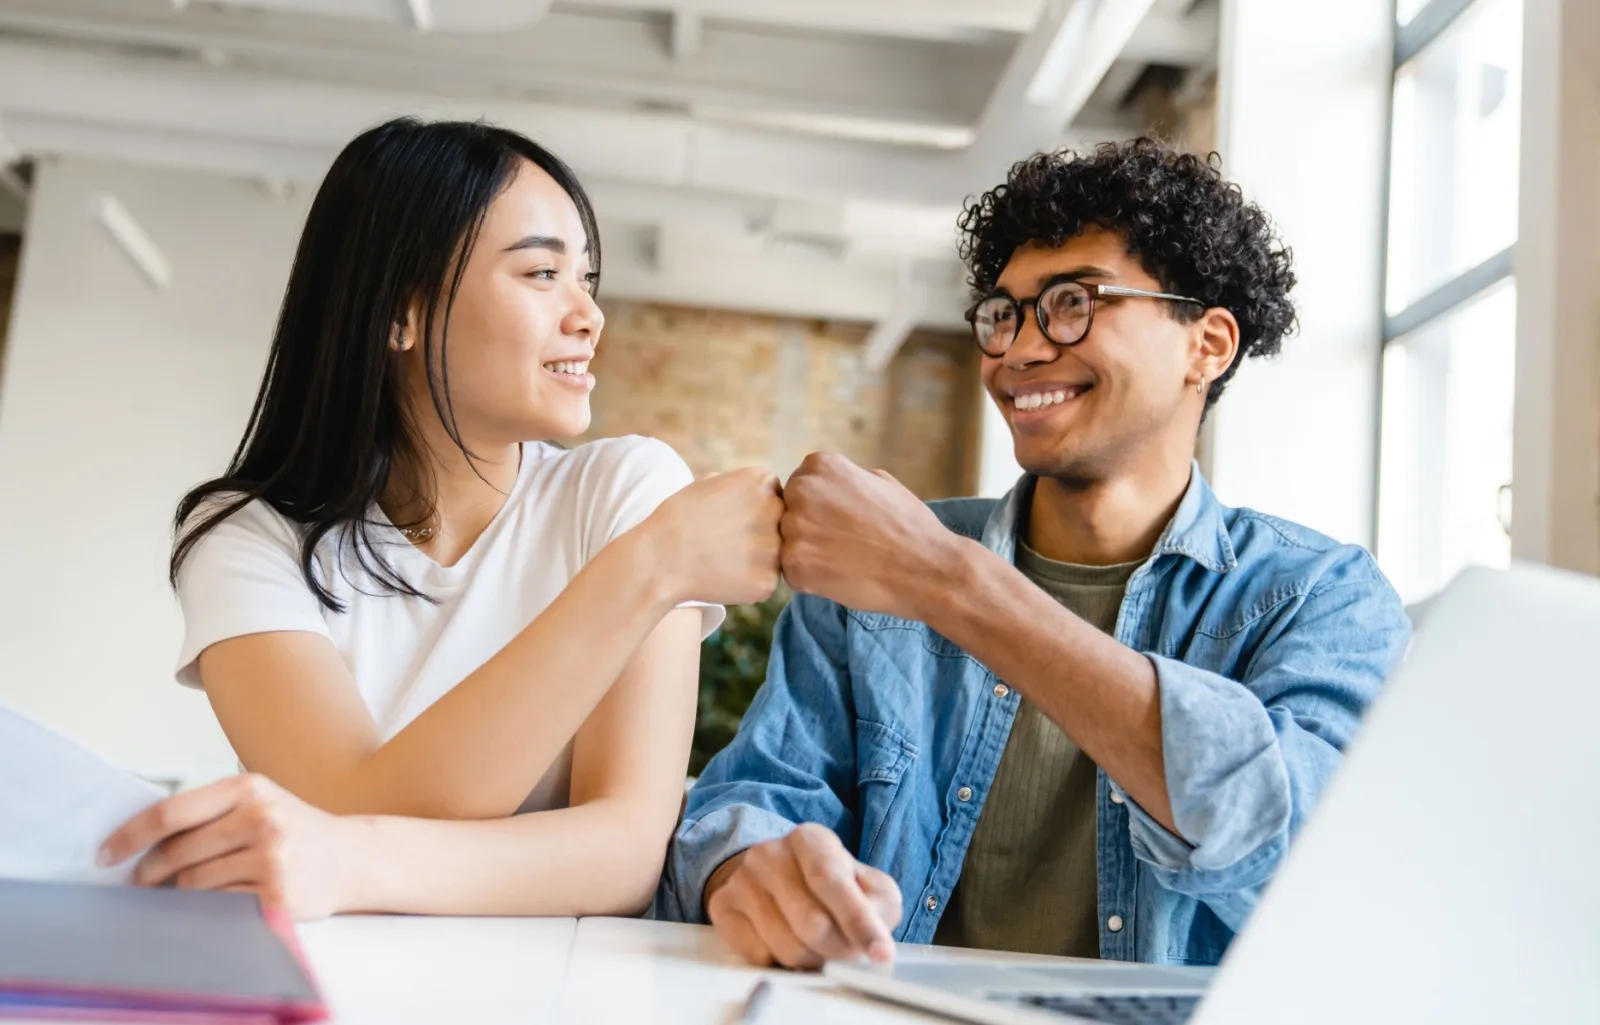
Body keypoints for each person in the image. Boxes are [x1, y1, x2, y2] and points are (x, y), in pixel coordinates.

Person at [657, 139, 1411, 969]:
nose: (1017, 350)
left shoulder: (1320, 597)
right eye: (1004, 312)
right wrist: (749, 871)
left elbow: (1296, 849)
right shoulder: (868, 569)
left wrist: (947, 583)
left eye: (1073, 303)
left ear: (1209, 344)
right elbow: (756, 797)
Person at [97, 118, 784, 918]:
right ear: (400, 312)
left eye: (586, 280)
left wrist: (354, 858)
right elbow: (345, 811)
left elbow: (623, 853)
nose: (588, 315)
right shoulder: (245, 539)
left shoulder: (626, 490)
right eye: (540, 274)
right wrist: (644, 572)